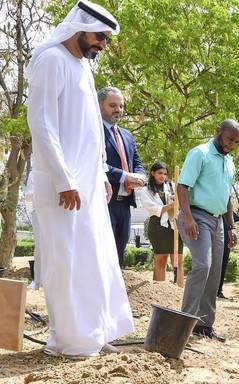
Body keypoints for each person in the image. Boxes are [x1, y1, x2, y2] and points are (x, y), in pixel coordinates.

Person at [25, 0, 133, 358]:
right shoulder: (51, 60)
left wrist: (100, 174)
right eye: (100, 36)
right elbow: (42, 124)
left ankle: (92, 333)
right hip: (63, 187)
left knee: (93, 258)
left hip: (87, 185)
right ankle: (68, 342)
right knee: (65, 262)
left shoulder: (82, 66)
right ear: (81, 28)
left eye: (106, 39)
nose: (103, 44)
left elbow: (90, 129)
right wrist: (64, 180)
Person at [177, 119, 239, 342]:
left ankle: (204, 325)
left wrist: (231, 227)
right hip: (196, 216)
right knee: (202, 265)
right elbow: (182, 186)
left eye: (236, 142)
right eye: (229, 139)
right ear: (218, 131)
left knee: (215, 271)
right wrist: (187, 217)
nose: (231, 144)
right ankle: (183, 323)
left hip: (218, 221)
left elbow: (227, 198)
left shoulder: (229, 162)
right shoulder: (200, 153)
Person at [100, 86, 145, 268]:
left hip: (125, 203)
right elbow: (97, 163)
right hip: (105, 201)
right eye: (113, 105)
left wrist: (140, 177)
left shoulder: (127, 135)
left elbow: (137, 162)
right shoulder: (93, 132)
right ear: (100, 105)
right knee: (105, 253)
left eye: (121, 106)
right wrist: (125, 176)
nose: (118, 110)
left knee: (120, 251)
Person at [137, 162, 184, 287]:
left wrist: (177, 200)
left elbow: (180, 204)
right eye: (159, 173)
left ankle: (180, 292)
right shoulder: (145, 191)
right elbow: (154, 209)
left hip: (174, 226)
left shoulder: (171, 186)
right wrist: (174, 204)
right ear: (152, 173)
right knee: (161, 260)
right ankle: (159, 291)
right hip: (158, 227)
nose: (162, 176)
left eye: (165, 174)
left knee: (178, 261)